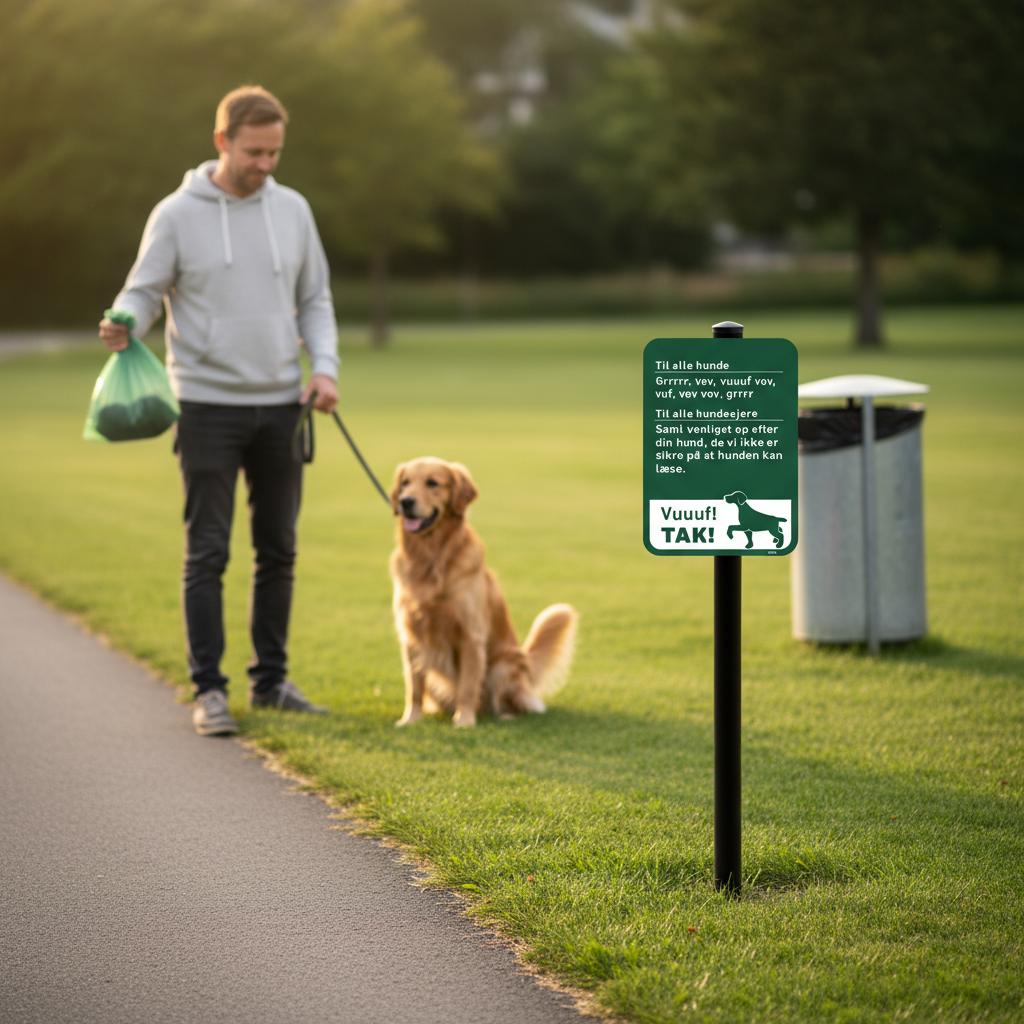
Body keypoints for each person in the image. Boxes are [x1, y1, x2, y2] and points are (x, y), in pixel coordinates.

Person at [99, 86, 338, 736]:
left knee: (279, 550)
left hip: (283, 405)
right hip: (205, 406)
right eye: (254, 152)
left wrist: (324, 370)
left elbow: (315, 299)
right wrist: (125, 320)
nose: (266, 164)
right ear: (221, 142)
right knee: (207, 552)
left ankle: (272, 684)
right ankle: (209, 690)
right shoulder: (177, 214)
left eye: (275, 152)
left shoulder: (292, 210)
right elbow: (143, 290)